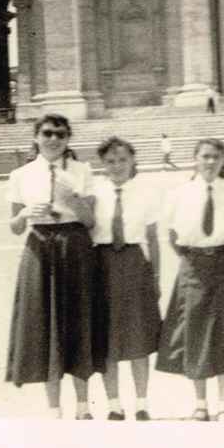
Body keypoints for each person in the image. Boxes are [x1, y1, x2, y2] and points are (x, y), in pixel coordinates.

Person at [6, 114, 103, 419]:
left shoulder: (81, 170)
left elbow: (90, 221)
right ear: (36, 137)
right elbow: (15, 227)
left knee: (78, 319)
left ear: (68, 139)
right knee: (45, 322)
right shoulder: (20, 175)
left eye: (60, 135)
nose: (53, 140)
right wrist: (25, 215)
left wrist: (72, 199)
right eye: (47, 133)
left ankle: (84, 405)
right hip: (40, 246)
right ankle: (53, 407)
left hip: (74, 245)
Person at [156, 139, 224, 420]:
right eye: (205, 156)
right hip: (193, 266)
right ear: (195, 160)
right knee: (196, 331)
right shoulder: (181, 193)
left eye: (216, 157)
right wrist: (193, 256)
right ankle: (200, 404)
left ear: (223, 160)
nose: (210, 162)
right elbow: (173, 236)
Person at [93, 137, 162, 421]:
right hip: (103, 263)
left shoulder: (146, 192)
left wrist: (156, 276)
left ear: (133, 160)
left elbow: (153, 239)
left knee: (137, 336)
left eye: (122, 160)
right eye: (110, 161)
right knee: (107, 336)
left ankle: (142, 402)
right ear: (102, 164)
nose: (117, 165)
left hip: (135, 263)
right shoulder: (95, 193)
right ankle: (113, 404)